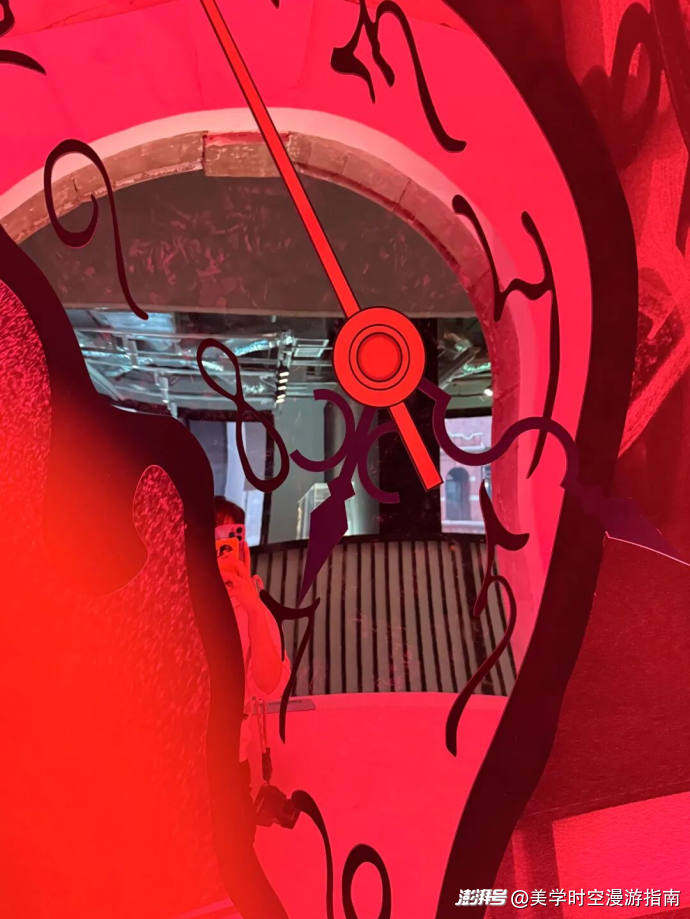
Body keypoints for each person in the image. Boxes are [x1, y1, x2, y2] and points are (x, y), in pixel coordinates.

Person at [214, 497, 290, 830]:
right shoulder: (178, 598)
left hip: (231, 761)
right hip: (177, 756)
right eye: (215, 539)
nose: (223, 550)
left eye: (231, 539)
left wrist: (253, 608)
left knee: (234, 843)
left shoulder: (251, 609)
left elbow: (269, 684)